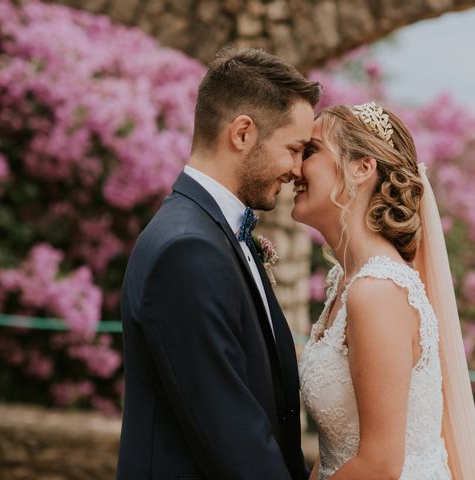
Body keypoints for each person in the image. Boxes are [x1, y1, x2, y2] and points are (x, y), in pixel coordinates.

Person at [117, 47, 321, 479]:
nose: (298, 169)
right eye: (294, 148)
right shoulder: (187, 250)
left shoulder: (213, 234)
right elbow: (232, 438)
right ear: (242, 133)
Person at [294, 102, 475, 479]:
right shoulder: (345, 283)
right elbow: (338, 447)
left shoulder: (377, 292)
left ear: (362, 168)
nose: (296, 168)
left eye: (311, 151)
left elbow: (380, 464)